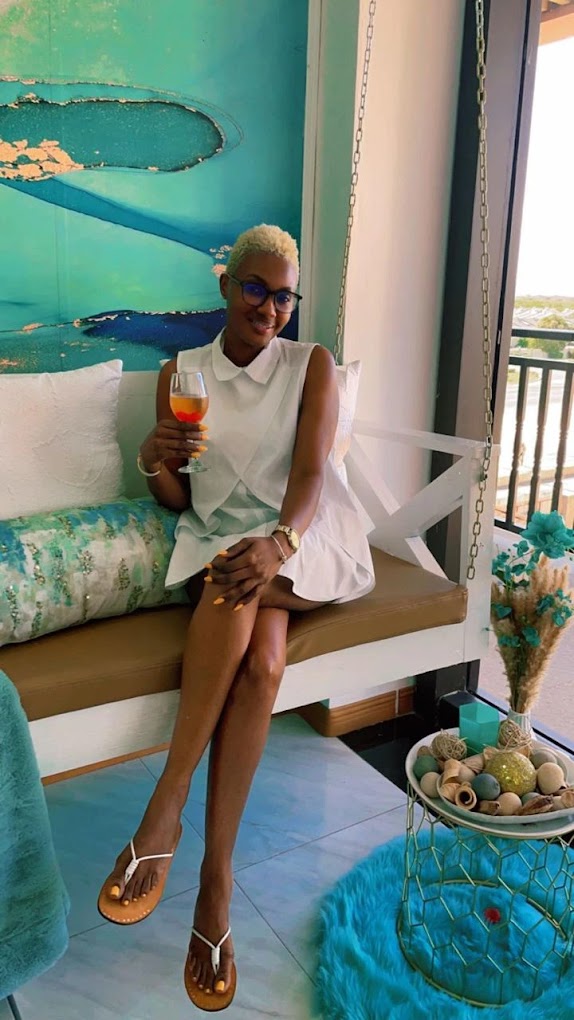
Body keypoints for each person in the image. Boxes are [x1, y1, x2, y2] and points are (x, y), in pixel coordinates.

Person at [97, 224, 375, 1010]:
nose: (270, 308)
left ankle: (167, 808)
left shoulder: (310, 364)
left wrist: (280, 543)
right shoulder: (182, 373)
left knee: (233, 585)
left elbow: (313, 473)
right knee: (263, 661)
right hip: (221, 535)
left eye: (284, 296)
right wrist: (154, 458)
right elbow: (178, 497)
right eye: (256, 288)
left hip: (300, 537)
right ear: (226, 286)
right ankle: (215, 886)